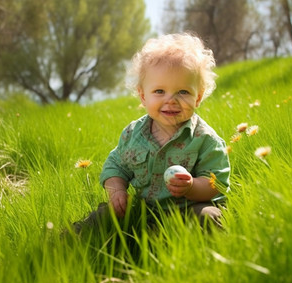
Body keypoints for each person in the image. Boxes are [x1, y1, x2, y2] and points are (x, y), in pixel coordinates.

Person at [77, 32, 230, 232]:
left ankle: (189, 247)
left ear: (198, 97)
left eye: (183, 92)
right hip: (145, 212)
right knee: (104, 216)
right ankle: (68, 240)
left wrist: (192, 187)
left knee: (210, 217)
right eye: (159, 91)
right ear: (143, 96)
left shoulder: (205, 139)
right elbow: (115, 167)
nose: (171, 100)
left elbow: (216, 183)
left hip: (188, 210)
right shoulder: (133, 134)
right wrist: (117, 192)